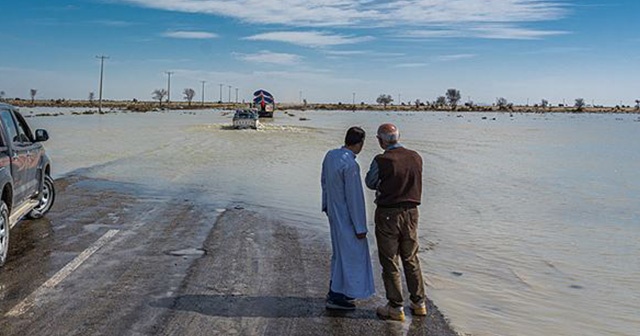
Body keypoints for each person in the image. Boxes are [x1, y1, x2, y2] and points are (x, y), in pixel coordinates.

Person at [365, 123, 427, 321]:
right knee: (411, 258)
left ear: (381, 140)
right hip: (411, 212)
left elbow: (370, 182)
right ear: (398, 137)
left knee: (390, 260)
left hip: (388, 213)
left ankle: (395, 306)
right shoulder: (416, 156)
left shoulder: (382, 159)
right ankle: (419, 304)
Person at [321, 126, 375, 310]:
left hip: (334, 214)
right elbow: (355, 198)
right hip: (347, 218)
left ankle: (337, 291)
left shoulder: (331, 155)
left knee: (339, 254)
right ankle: (338, 295)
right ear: (360, 143)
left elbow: (324, 182)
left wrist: (326, 205)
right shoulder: (350, 165)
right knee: (352, 255)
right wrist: (360, 227)